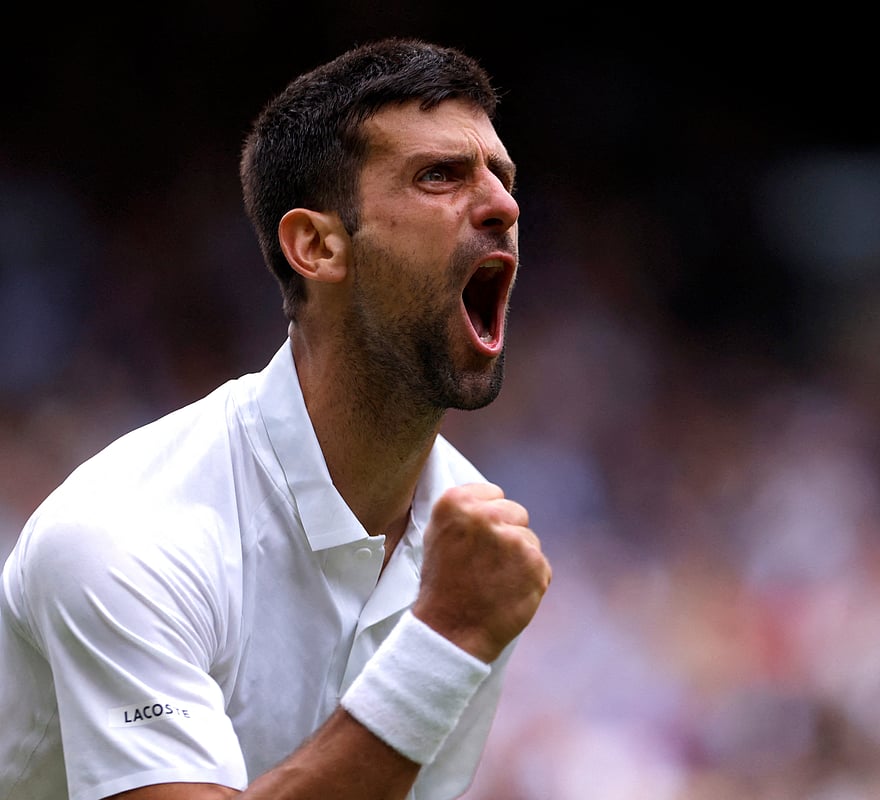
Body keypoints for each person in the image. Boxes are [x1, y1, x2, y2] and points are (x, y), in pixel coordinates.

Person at [0, 37, 551, 800]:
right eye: (439, 177)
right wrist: (447, 640)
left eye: (503, 177)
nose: (503, 205)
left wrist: (452, 633)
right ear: (317, 246)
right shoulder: (121, 536)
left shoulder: (470, 549)